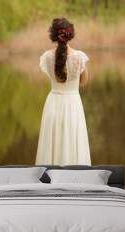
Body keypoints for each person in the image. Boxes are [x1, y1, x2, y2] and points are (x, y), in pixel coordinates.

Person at [36, 17, 91, 165]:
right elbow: (84, 82)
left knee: (53, 141)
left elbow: (53, 76)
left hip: (53, 102)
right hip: (72, 103)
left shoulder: (47, 57)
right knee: (72, 139)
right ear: (70, 34)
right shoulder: (79, 57)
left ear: (53, 35)